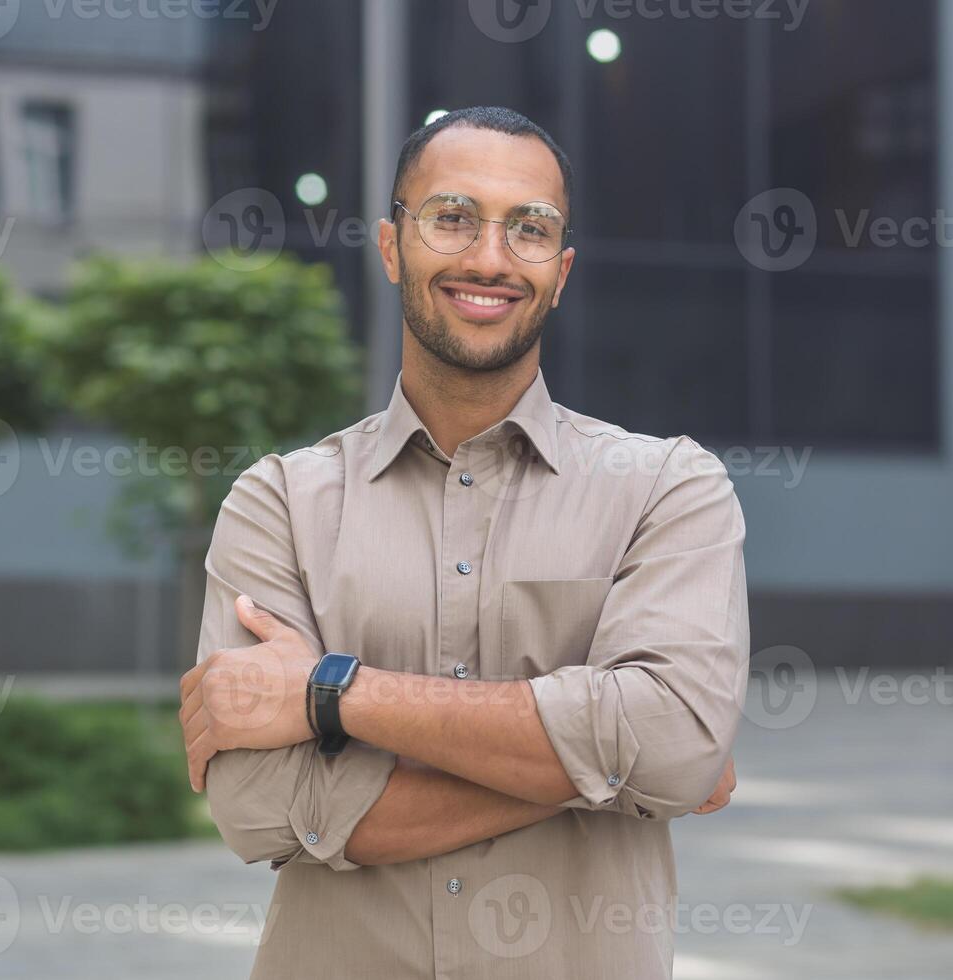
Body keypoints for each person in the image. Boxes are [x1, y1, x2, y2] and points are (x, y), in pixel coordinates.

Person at [179, 106, 747, 979]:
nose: (489, 258)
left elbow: (671, 744)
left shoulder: (667, 488)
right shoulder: (280, 502)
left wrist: (330, 693)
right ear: (392, 246)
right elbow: (256, 808)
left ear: (560, 274)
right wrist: (607, 766)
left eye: (529, 229)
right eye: (452, 218)